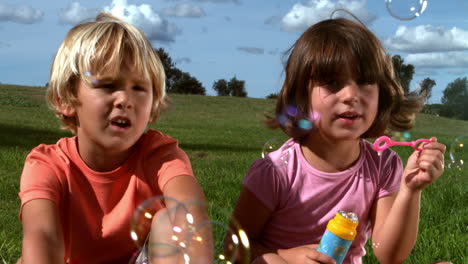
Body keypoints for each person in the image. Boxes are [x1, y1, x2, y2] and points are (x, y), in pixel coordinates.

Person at [230, 18, 446, 264]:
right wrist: (284, 256)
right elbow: (234, 247)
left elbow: (389, 255)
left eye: (364, 81)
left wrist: (410, 190)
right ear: (302, 96)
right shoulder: (276, 171)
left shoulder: (383, 164)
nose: (352, 95)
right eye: (332, 82)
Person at [17, 12, 208, 264]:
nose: (125, 100)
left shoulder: (159, 155)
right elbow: (42, 235)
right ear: (66, 99)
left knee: (171, 219)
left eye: (139, 88)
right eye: (108, 85)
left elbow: (189, 206)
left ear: (152, 106)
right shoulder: (47, 165)